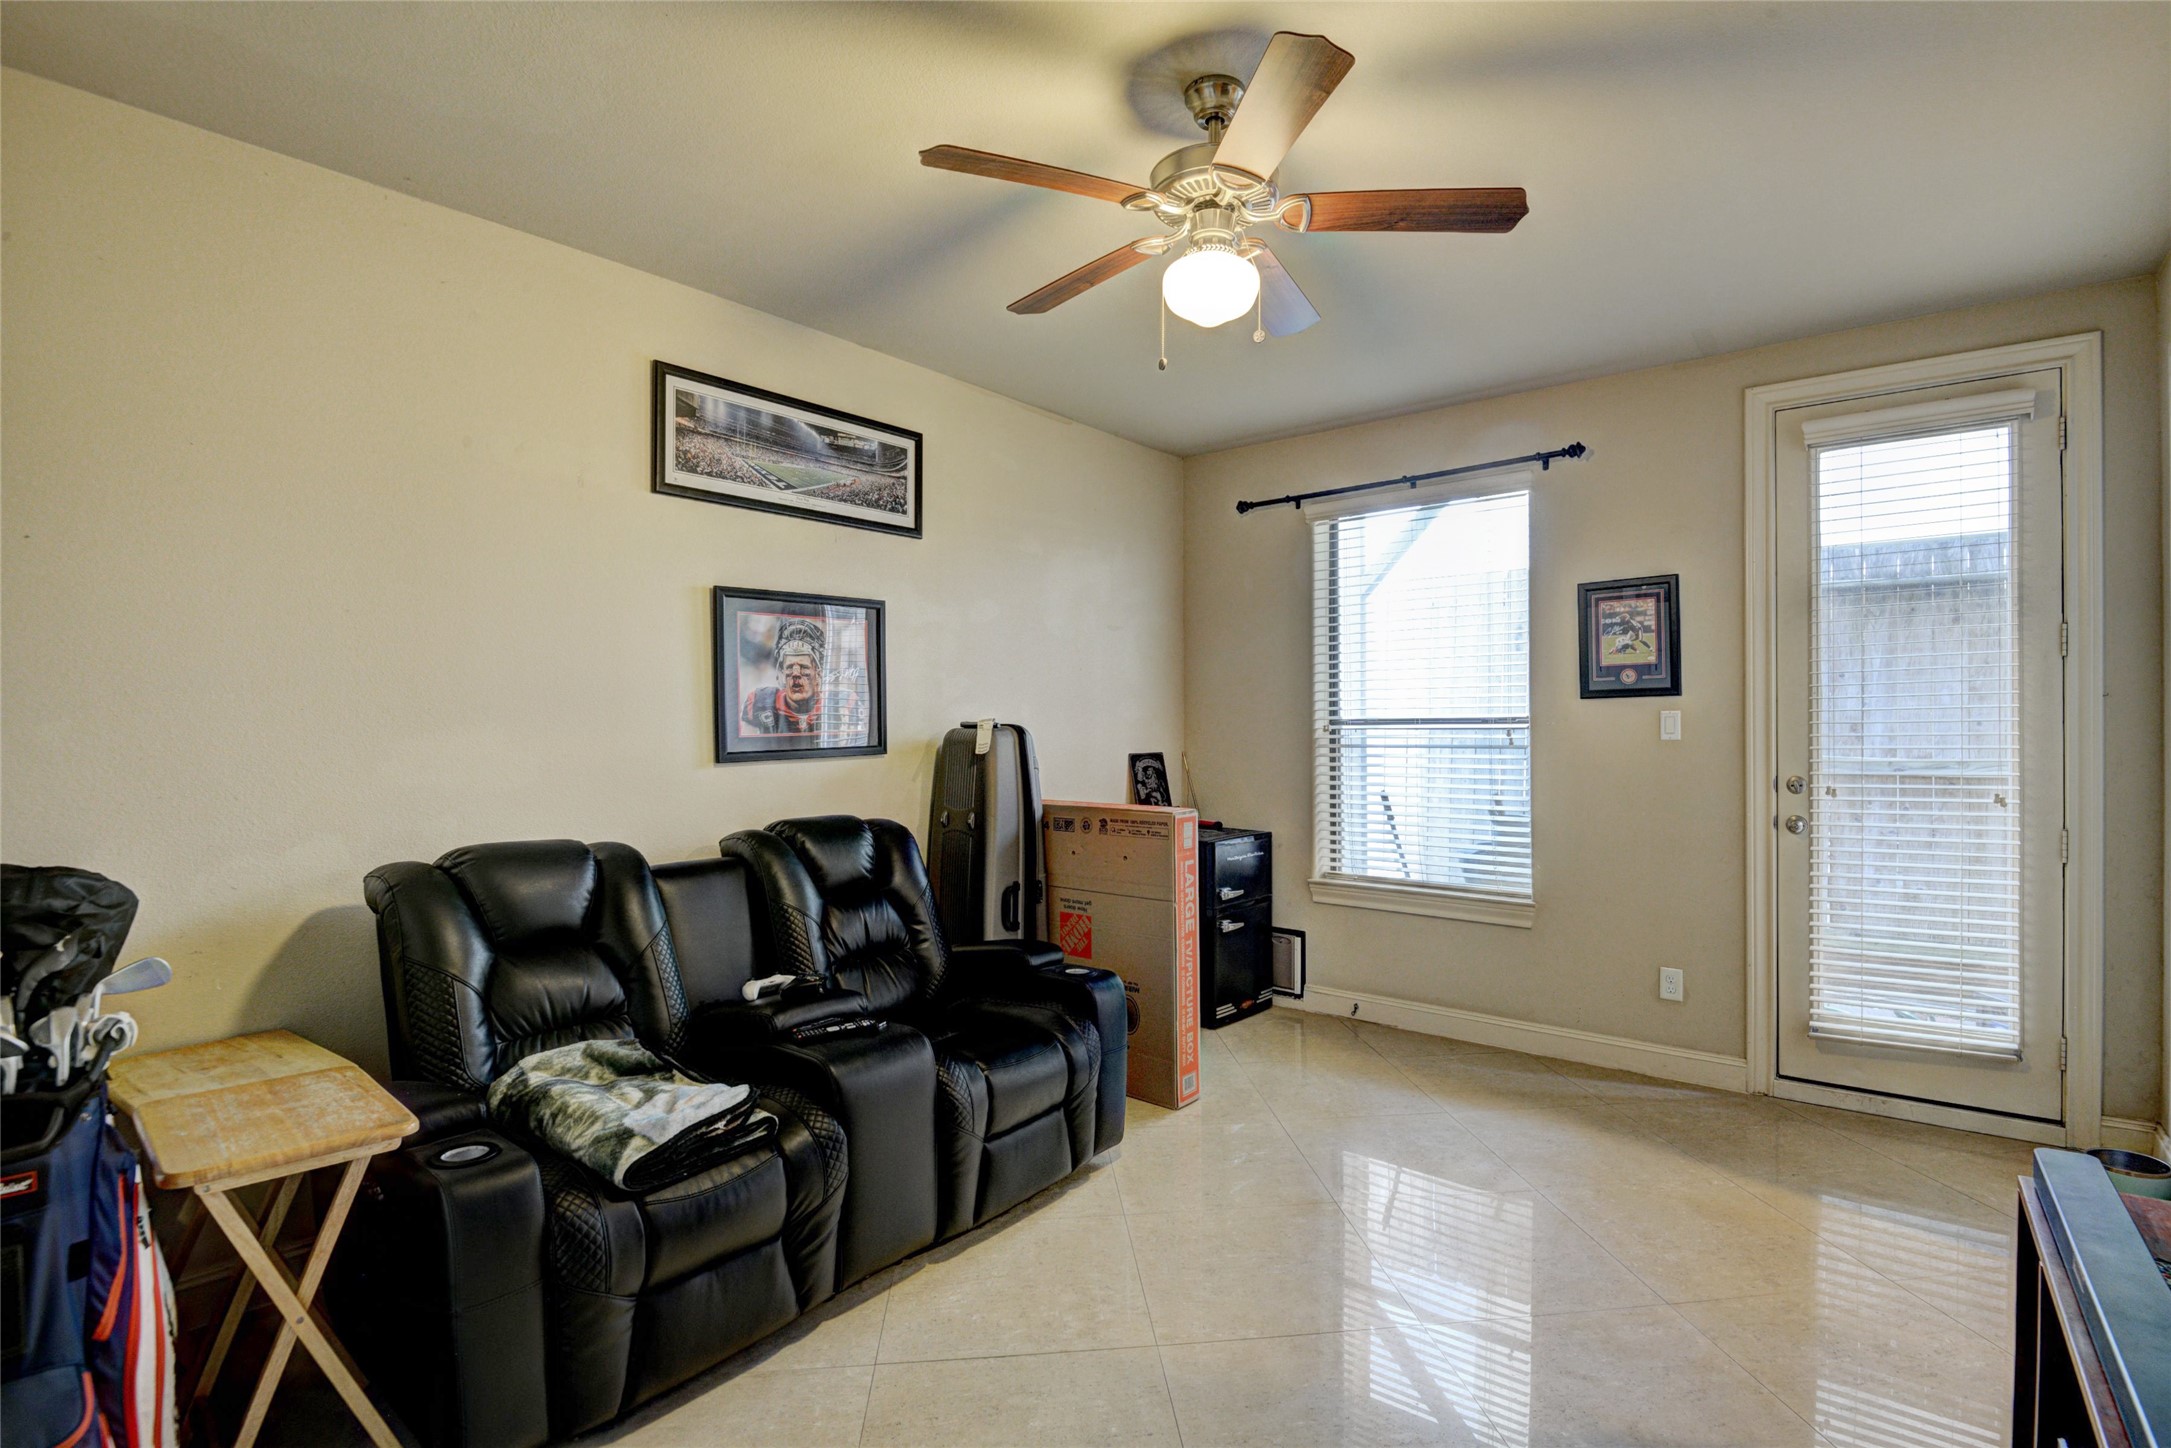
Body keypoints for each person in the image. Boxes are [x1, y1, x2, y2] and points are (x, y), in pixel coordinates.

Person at [741, 617, 829, 734]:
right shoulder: (761, 700)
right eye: (790, 667)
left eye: (804, 667)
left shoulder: (834, 703)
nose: (796, 675)